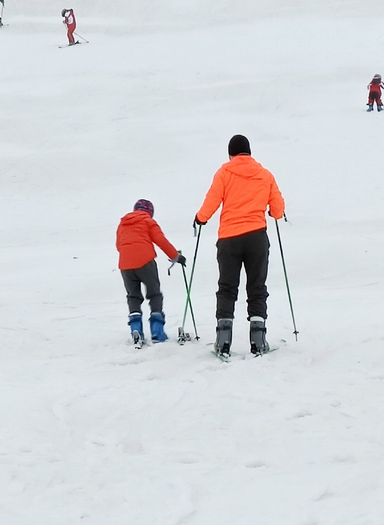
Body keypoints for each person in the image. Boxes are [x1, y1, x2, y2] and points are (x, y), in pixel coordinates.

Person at [194, 134, 285, 358]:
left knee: (227, 288)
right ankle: (258, 340)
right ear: (249, 152)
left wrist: (200, 218)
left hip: (229, 238)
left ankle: (223, 341)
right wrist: (273, 212)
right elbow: (277, 210)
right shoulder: (265, 175)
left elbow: (212, 200)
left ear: (230, 154)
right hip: (256, 238)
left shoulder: (225, 172)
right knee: (256, 288)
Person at [116, 198, 185, 345]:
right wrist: (176, 256)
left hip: (125, 264)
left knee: (133, 296)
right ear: (150, 212)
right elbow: (161, 240)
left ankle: (136, 329)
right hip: (145, 262)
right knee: (154, 294)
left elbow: (119, 245)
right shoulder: (148, 221)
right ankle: (157, 331)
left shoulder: (123, 223)